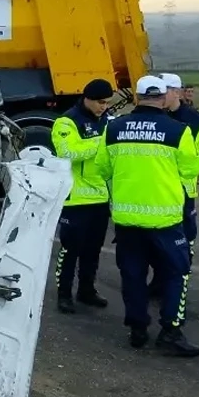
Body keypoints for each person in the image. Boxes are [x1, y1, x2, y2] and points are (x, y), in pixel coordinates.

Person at [96, 76, 199, 356]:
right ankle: (170, 331)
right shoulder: (178, 131)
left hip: (126, 220)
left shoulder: (114, 129)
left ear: (137, 97)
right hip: (166, 220)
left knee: (132, 275)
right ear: (162, 98)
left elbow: (102, 169)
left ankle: (137, 329)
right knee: (175, 274)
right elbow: (191, 170)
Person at [153, 73, 199, 320]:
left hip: (182, 192)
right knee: (156, 242)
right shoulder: (154, 117)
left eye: (165, 90)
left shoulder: (197, 122)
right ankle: (158, 284)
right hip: (157, 191)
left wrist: (188, 167)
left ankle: (178, 294)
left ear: (177, 92)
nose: (161, 94)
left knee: (182, 245)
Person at [51, 78, 114, 313]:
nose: (104, 107)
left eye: (107, 102)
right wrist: (101, 143)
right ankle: (64, 294)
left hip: (100, 198)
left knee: (93, 250)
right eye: (100, 102)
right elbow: (67, 152)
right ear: (87, 98)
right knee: (70, 250)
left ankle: (86, 290)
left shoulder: (107, 120)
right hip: (75, 199)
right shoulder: (67, 121)